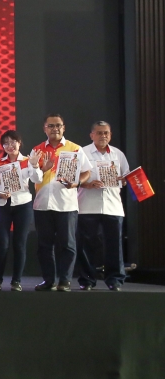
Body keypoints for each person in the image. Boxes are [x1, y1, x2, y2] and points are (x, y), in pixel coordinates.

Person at [32, 113, 92, 292]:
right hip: (42, 203)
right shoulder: (37, 150)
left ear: (63, 128)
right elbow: (32, 176)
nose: (54, 129)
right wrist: (41, 168)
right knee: (44, 246)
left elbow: (87, 171)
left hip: (66, 204)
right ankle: (49, 280)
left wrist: (77, 183)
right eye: (51, 126)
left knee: (67, 244)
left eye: (58, 125)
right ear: (45, 128)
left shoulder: (75, 149)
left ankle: (65, 281)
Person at [77, 121, 131, 291]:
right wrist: (88, 184)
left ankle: (115, 280)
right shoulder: (82, 152)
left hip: (113, 205)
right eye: (99, 133)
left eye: (106, 133)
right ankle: (87, 280)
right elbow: (73, 179)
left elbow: (126, 177)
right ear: (91, 135)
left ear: (110, 135)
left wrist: (122, 180)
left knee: (114, 245)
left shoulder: (118, 154)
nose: (103, 136)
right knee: (87, 246)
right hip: (87, 205)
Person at [0, 131, 41, 291]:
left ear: (19, 143)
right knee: (3, 244)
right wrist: (0, 193)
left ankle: (16, 281)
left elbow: (37, 180)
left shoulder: (27, 161)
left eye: (13, 142)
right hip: (3, 205)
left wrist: (34, 165)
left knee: (19, 243)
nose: (10, 146)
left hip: (23, 205)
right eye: (6, 143)